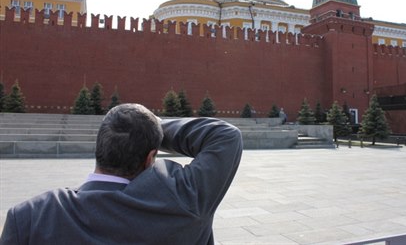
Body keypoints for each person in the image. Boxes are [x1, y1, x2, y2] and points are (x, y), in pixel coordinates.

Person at [0, 103, 243, 244]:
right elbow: (225, 136)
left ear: (100, 146)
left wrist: (122, 125)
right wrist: (152, 125)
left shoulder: (29, 218)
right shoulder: (183, 200)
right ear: (150, 158)